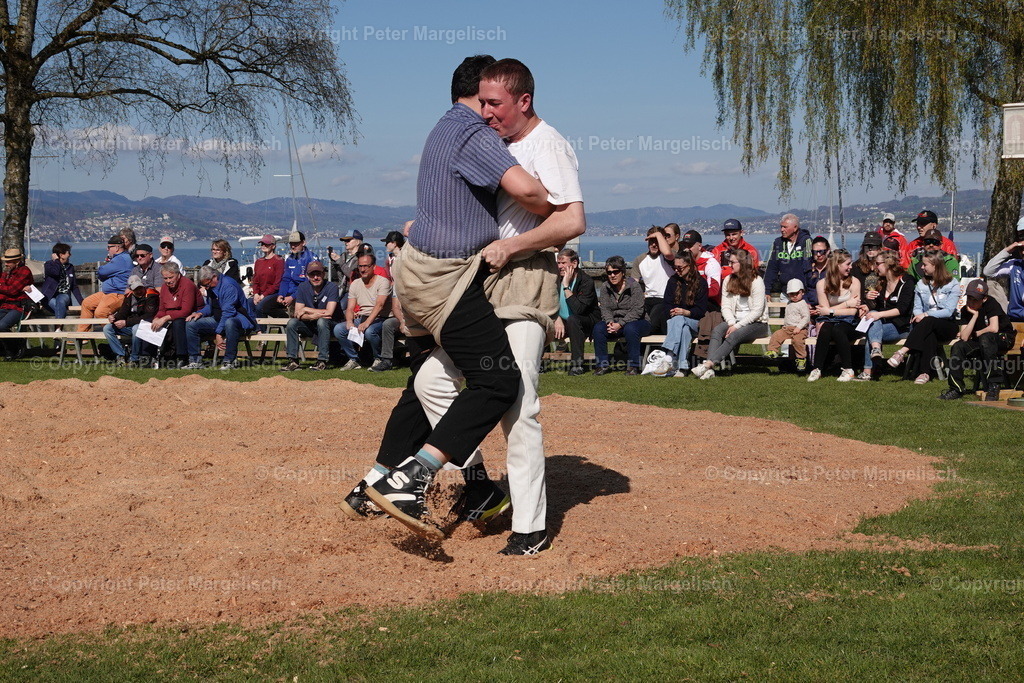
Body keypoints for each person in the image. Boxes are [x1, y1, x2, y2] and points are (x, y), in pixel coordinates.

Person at [358, 55, 562, 546]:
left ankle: (375, 480)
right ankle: (416, 478)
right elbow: (530, 191)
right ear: (479, 93)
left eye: (499, 104)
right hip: (442, 279)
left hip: (424, 274)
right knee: (497, 378)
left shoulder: (444, 127)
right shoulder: (471, 131)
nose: (493, 113)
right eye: (489, 100)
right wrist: (555, 208)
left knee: (429, 376)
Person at [691, 250, 769, 379]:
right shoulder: (728, 279)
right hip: (734, 321)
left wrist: (736, 327)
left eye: (732, 262)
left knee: (733, 336)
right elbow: (725, 306)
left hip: (758, 324)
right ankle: (710, 371)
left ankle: (708, 364)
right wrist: (732, 323)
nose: (729, 265)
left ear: (743, 263)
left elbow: (757, 311)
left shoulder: (757, 281)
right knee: (717, 330)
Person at [886, 252, 960, 384]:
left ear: (935, 266)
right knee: (929, 333)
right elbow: (917, 308)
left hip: (947, 326)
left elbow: (948, 311)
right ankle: (924, 373)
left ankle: (902, 352)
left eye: (925, 265)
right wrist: (920, 315)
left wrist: (925, 315)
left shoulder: (952, 284)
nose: (921, 268)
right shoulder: (921, 284)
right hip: (927, 326)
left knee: (928, 320)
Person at [938, 279, 1015, 401]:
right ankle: (956, 389)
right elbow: (964, 337)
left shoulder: (991, 303)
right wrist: (974, 316)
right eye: (969, 298)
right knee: (958, 346)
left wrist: (975, 333)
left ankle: (993, 385)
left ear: (984, 299)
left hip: (1003, 338)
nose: (971, 302)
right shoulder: (966, 310)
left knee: (986, 338)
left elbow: (994, 328)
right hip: (982, 341)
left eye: (975, 300)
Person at [184, 266, 258, 370]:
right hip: (219, 319)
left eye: (207, 284)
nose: (206, 288)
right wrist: (200, 313)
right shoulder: (212, 287)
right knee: (191, 324)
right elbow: (210, 306)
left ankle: (229, 361)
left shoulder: (228, 286)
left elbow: (229, 312)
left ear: (214, 277)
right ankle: (195, 361)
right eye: (204, 286)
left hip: (240, 320)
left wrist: (219, 333)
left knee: (230, 323)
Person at [806, 250, 863, 382]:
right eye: (847, 264)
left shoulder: (855, 282)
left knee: (838, 330)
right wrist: (848, 303)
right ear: (837, 265)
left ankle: (848, 369)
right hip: (830, 320)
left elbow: (852, 312)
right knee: (825, 328)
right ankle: (817, 369)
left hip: (851, 322)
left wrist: (830, 311)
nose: (850, 267)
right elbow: (824, 311)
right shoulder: (821, 284)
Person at [858, 249, 914, 380]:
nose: (875, 267)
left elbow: (902, 310)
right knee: (872, 319)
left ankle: (868, 371)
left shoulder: (907, 281)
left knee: (872, 327)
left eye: (878, 264)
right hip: (882, 325)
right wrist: (867, 303)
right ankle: (876, 351)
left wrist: (878, 315)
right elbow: (877, 306)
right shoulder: (881, 282)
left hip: (901, 326)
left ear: (888, 264)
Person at [334, 253, 391, 370]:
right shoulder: (355, 284)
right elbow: (350, 307)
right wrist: (349, 321)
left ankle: (378, 358)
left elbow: (379, 305)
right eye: (360, 266)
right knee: (339, 329)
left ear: (373, 267)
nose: (363, 269)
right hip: (363, 316)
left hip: (381, 317)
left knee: (370, 331)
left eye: (366, 266)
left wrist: (366, 323)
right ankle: (354, 359)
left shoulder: (383, 282)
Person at [593, 255, 649, 375]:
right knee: (598, 328)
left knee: (630, 328)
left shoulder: (634, 286)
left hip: (638, 321)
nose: (612, 275)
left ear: (622, 272)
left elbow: (637, 310)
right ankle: (602, 365)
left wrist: (621, 324)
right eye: (609, 272)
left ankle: (634, 366)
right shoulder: (605, 287)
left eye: (615, 272)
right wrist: (610, 322)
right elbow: (605, 308)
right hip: (615, 321)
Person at [279, 260, 339, 372]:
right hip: (310, 324)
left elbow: (329, 312)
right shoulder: (302, 287)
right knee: (292, 323)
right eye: (312, 274)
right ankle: (293, 361)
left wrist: (306, 310)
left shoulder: (332, 287)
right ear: (307, 275)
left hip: (330, 326)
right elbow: (297, 313)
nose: (315, 277)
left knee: (322, 321)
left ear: (323, 274)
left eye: (318, 274)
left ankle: (322, 361)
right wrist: (312, 316)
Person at [658, 249, 708, 376]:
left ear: (689, 266)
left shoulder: (701, 283)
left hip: (696, 321)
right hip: (677, 322)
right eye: (675, 267)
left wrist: (686, 312)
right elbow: (666, 304)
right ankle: (682, 367)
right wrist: (675, 312)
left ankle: (668, 357)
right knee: (683, 327)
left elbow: (701, 310)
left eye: (680, 268)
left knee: (680, 319)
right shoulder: (673, 281)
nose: (676, 270)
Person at [555, 248, 599, 376]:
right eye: (558, 263)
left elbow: (579, 310)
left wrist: (566, 286)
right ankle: (537, 363)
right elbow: (549, 302)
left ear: (574, 264)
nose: (560, 266)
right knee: (541, 321)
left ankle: (577, 365)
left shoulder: (586, 281)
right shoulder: (555, 280)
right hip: (563, 320)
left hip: (586, 321)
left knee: (573, 319)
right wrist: (556, 318)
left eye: (563, 263)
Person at [151, 261, 203, 367]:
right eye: (165, 279)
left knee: (178, 323)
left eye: (171, 277)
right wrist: (157, 318)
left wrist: (165, 318)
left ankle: (181, 357)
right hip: (172, 315)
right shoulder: (165, 288)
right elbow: (162, 309)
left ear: (178, 275)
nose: (168, 281)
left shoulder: (187, 285)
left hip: (192, 315)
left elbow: (186, 310)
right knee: (152, 324)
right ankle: (149, 357)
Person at [78, 234, 133, 331]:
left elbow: (102, 272)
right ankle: (81, 335)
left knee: (100, 312)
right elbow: (104, 273)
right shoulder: (117, 259)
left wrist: (105, 273)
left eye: (109, 247)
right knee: (87, 303)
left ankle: (113, 334)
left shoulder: (121, 259)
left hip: (117, 294)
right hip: (107, 293)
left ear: (116, 247)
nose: (107, 249)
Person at [103, 275, 159, 366]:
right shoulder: (129, 296)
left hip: (146, 325)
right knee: (107, 328)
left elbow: (148, 316)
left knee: (136, 328)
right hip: (130, 324)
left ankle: (134, 358)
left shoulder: (151, 296)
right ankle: (121, 355)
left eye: (140, 287)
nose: (139, 291)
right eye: (136, 289)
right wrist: (114, 318)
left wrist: (126, 322)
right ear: (131, 289)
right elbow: (123, 313)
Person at [373, 232, 409, 372]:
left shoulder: (406, 257)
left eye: (387, 242)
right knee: (388, 324)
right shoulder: (390, 258)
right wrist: (402, 320)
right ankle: (387, 360)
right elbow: (395, 306)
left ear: (394, 243)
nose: (385, 245)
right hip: (397, 294)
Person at [981, 217, 1024, 322]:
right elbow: (988, 271)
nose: (1023, 253)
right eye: (1021, 249)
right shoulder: (1014, 265)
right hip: (1014, 318)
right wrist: (1007, 250)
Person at [632, 226, 674, 334]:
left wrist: (659, 236)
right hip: (647, 299)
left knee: (653, 321)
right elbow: (633, 284)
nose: (654, 245)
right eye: (651, 241)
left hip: (665, 299)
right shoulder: (640, 259)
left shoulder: (670, 257)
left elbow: (668, 254)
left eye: (657, 241)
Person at [765, 278, 811, 372]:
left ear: (802, 292)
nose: (794, 296)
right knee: (776, 335)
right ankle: (772, 351)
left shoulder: (802, 304)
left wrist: (799, 327)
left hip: (800, 329)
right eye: (791, 294)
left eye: (797, 293)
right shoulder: (789, 303)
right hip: (787, 328)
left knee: (798, 341)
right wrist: (785, 327)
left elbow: (806, 317)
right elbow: (788, 317)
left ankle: (801, 359)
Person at [762, 213, 812, 297]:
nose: (782, 229)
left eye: (785, 227)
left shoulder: (806, 241)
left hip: (803, 292)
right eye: (781, 226)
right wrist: (766, 290)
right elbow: (771, 268)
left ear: (795, 228)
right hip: (785, 291)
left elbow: (810, 267)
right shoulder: (778, 243)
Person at [0, 247, 33, 360]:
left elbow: (12, 290)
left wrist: (4, 288)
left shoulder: (25, 271)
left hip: (20, 307)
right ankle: (7, 348)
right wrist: (10, 289)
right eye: (6, 261)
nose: (6, 264)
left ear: (17, 262)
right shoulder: (5, 273)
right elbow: (6, 292)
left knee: (2, 325)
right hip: (5, 305)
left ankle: (14, 348)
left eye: (9, 261)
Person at [276, 230, 319, 309]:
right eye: (291, 244)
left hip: (306, 294)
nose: (293, 246)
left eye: (296, 244)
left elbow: (310, 283)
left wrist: (292, 297)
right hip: (290, 293)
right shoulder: (289, 259)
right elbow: (286, 279)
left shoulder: (311, 258)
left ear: (303, 243)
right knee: (263, 306)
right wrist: (281, 294)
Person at [679, 229, 722, 306]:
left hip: (710, 304)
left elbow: (714, 291)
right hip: (689, 301)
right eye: (685, 246)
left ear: (699, 246)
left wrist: (691, 293)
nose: (686, 249)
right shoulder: (684, 263)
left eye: (690, 246)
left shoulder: (710, 263)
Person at [40, 243, 83, 319]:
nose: (70, 255)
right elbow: (56, 272)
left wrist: (82, 302)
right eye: (68, 253)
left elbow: (74, 286)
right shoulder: (49, 265)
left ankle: (57, 328)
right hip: (49, 296)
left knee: (60, 300)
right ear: (61, 255)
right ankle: (58, 328)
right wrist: (57, 261)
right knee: (58, 307)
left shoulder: (70, 267)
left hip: (64, 294)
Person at [251, 234, 286, 317]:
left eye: (266, 244)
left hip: (273, 294)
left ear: (273, 246)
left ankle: (262, 329)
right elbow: (255, 280)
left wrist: (263, 295)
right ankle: (256, 328)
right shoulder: (258, 262)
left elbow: (277, 283)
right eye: (262, 244)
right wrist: (256, 294)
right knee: (248, 304)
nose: (263, 246)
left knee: (260, 307)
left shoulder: (279, 261)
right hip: (260, 293)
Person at [803, 236, 830, 308]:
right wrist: (806, 303)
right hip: (809, 306)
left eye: (821, 251)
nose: (818, 255)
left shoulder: (834, 267)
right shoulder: (806, 266)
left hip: (829, 307)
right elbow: (802, 287)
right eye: (815, 252)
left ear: (828, 251)